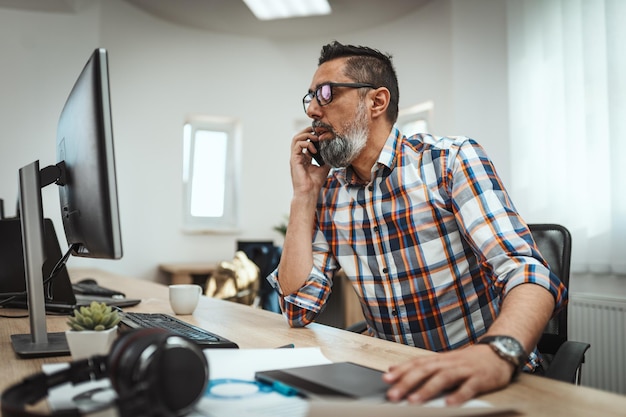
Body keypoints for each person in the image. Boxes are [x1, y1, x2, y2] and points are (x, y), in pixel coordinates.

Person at [267, 41, 567, 405]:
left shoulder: (449, 161)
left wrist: (496, 353)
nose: (313, 109)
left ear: (376, 102)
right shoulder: (330, 192)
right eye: (311, 97)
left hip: (480, 377)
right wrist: (304, 196)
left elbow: (527, 272)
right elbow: (299, 308)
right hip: (396, 382)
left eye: (326, 93)